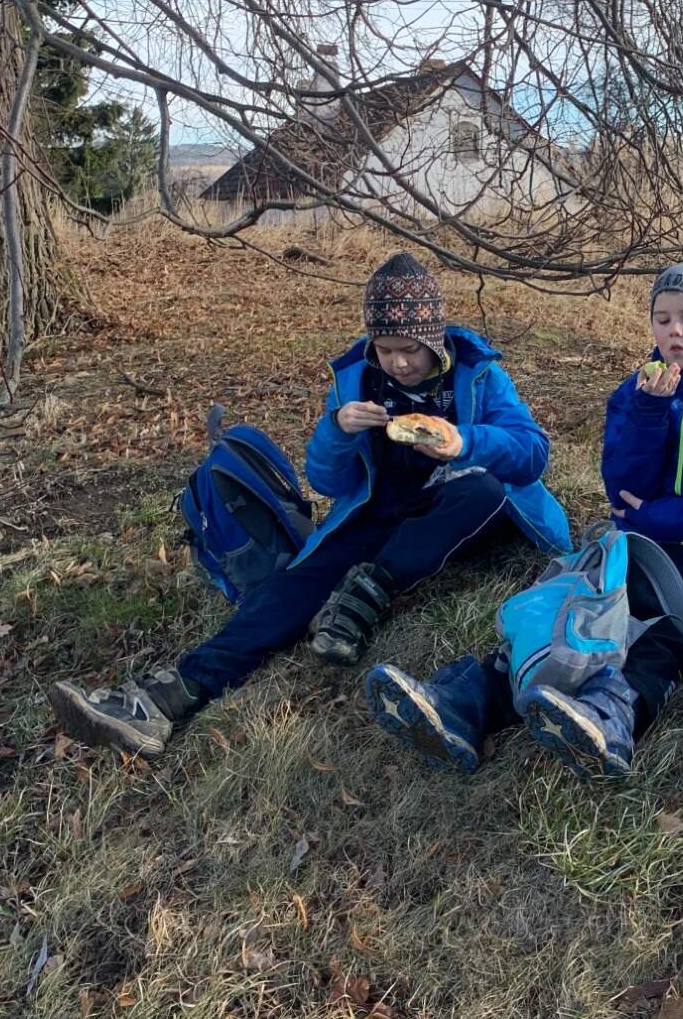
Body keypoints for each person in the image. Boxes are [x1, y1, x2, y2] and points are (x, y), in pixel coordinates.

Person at [45, 253, 569, 759]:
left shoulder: (478, 375)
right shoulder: (358, 381)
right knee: (297, 584)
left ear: (434, 339)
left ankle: (369, 589)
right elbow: (325, 480)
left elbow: (532, 453)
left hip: (461, 509)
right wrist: (337, 430)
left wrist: (464, 442)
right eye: (386, 349)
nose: (399, 362)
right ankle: (166, 698)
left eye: (410, 349)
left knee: (482, 490)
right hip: (382, 511)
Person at [362, 260, 683, 779]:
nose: (674, 331)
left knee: (656, 618)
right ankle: (467, 700)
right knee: (569, 600)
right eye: (662, 319)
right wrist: (650, 413)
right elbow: (623, 483)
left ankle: (612, 714)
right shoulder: (636, 393)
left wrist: (657, 518)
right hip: (639, 533)